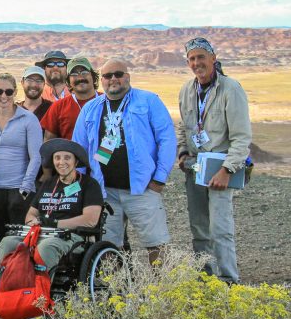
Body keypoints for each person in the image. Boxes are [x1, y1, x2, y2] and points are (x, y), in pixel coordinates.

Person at [71, 59, 176, 263]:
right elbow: (79, 149)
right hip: (105, 191)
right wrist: (83, 187)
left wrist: (159, 180)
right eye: (108, 76)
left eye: (118, 74)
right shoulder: (91, 109)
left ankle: (163, 289)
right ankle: (118, 289)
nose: (113, 79)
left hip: (142, 188)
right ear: (100, 80)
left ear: (127, 77)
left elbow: (167, 139)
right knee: (109, 245)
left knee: (156, 243)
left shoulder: (148, 101)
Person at [175, 37, 252, 283]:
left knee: (220, 229)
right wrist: (182, 154)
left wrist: (227, 170)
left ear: (213, 58)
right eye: (192, 59)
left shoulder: (231, 89)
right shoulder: (187, 90)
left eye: (201, 57)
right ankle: (206, 279)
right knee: (199, 228)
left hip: (220, 169)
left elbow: (241, 138)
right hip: (194, 168)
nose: (197, 63)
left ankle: (229, 280)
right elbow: (182, 127)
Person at [0, 139, 105, 281]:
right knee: (8, 242)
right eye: (57, 158)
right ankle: (8, 290)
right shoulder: (48, 183)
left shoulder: (89, 184)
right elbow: (30, 215)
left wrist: (54, 223)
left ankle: (38, 294)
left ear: (76, 162)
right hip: (40, 233)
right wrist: (33, 221)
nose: (62, 162)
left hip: (72, 237)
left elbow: (90, 221)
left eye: (67, 158)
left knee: (47, 246)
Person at [0, 73, 43, 249]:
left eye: (8, 91)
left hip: (19, 188)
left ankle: (20, 274)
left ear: (15, 92)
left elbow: (36, 156)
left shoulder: (28, 119)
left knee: (19, 240)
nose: (3, 96)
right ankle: (2, 273)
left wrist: (26, 187)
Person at [40, 56, 100, 141]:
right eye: (74, 74)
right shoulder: (58, 107)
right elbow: (48, 142)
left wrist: (100, 155)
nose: (80, 77)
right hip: (70, 154)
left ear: (93, 77)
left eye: (84, 72)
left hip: (103, 154)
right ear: (68, 82)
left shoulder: (107, 102)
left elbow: (115, 137)